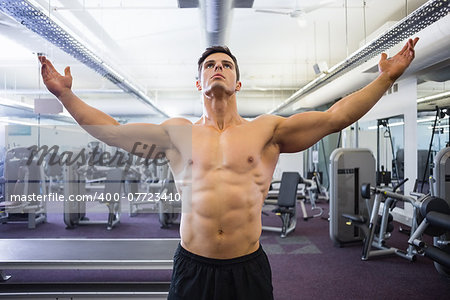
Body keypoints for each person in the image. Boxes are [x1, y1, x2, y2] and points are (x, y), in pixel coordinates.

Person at [38, 37, 419, 299]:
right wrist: (66, 95)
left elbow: (335, 117)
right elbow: (116, 134)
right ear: (198, 81)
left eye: (225, 65)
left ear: (238, 82)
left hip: (246, 268)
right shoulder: (178, 133)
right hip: (193, 266)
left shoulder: (266, 130)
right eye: (209, 65)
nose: (217, 68)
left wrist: (386, 77)